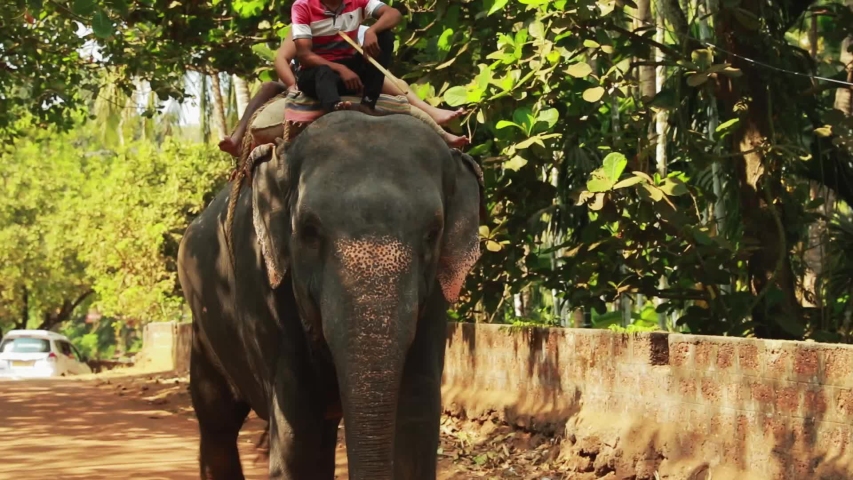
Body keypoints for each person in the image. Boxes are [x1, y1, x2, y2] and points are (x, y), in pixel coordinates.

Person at [218, 26, 467, 156]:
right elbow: (281, 60)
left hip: (345, 83)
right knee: (269, 86)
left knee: (392, 82)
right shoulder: (302, 26)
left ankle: (432, 116)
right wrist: (293, 86)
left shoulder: (357, 30)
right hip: (307, 81)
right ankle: (237, 139)